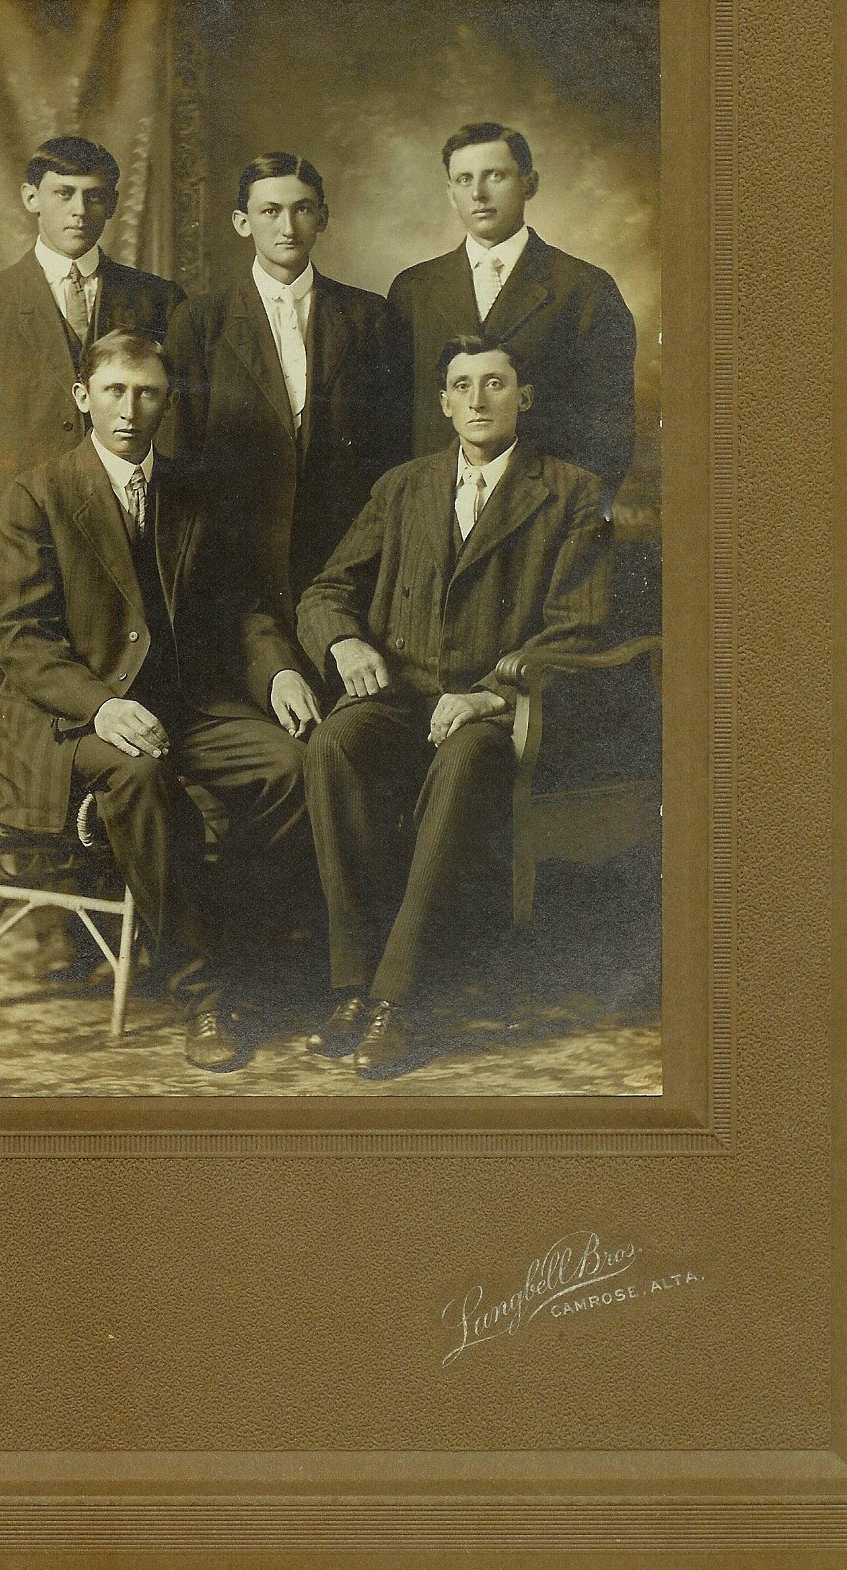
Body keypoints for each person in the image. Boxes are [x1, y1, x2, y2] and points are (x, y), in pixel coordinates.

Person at [0, 330, 323, 1071]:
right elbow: (22, 640)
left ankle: (248, 955)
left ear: (166, 402)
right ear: (83, 397)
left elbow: (242, 608)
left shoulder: (192, 491)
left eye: (147, 393)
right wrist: (100, 706)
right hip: (67, 720)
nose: (129, 409)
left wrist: (280, 673)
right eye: (114, 391)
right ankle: (203, 994)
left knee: (289, 763)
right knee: (138, 772)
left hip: (181, 706)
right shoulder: (38, 494)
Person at [296, 336, 612, 1078]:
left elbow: (580, 628)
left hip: (505, 710)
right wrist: (343, 642)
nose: (477, 400)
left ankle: (395, 1000)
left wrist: (486, 696)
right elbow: (327, 589)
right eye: (462, 385)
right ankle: (352, 984)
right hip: (405, 695)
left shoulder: (572, 493)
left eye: (494, 383)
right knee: (336, 741)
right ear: (442, 402)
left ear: (523, 397)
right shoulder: (404, 486)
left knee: (467, 755)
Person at [0, 135, 186, 644]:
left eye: (94, 195)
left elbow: (179, 423)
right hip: (18, 554)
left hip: (129, 547)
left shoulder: (158, 300)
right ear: (31, 198)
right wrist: (14, 502)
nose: (79, 210)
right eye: (63, 193)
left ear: (112, 204)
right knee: (29, 686)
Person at [167, 152, 410, 622]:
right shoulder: (200, 321)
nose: (288, 227)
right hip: (236, 558)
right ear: (242, 222)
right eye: (270, 211)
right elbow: (182, 450)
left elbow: (390, 449)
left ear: (323, 217)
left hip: (343, 552)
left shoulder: (368, 317)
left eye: (302, 209)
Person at [387, 123, 636, 495]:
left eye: (495, 176)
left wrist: (567, 510)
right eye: (464, 179)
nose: (478, 193)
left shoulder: (584, 288)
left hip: (543, 509)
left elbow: (609, 429)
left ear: (529, 184)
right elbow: (391, 421)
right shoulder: (413, 289)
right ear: (451, 193)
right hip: (435, 506)